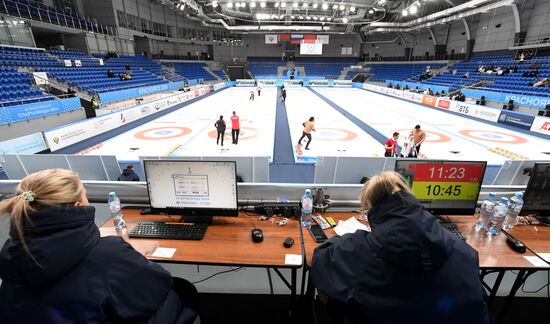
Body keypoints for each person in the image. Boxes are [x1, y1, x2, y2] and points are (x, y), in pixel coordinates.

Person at [0, 169, 199, 324]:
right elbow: (157, 287)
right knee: (183, 289)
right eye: (85, 195)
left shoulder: (11, 253)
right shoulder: (108, 254)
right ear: (78, 207)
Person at [311, 172, 489, 324]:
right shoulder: (463, 249)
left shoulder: (361, 249)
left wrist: (350, 239)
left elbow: (321, 260)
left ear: (371, 209)